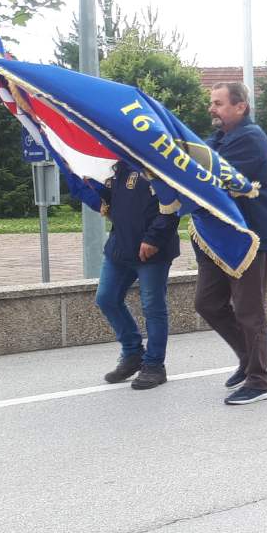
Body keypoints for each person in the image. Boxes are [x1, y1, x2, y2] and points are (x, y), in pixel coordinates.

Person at [196, 82, 267, 406]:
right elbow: (197, 154)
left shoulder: (249, 139)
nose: (211, 109)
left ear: (240, 107)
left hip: (248, 239)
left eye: (218, 103)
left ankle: (259, 380)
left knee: (249, 310)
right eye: (212, 102)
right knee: (207, 303)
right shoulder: (221, 137)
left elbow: (207, 174)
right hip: (218, 238)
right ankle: (252, 355)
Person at [76, 161, 180, 390]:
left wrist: (154, 238)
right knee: (107, 298)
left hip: (152, 250)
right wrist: (87, 182)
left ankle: (154, 365)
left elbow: (172, 205)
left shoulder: (155, 160)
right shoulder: (118, 165)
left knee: (152, 307)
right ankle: (133, 352)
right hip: (120, 247)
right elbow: (114, 200)